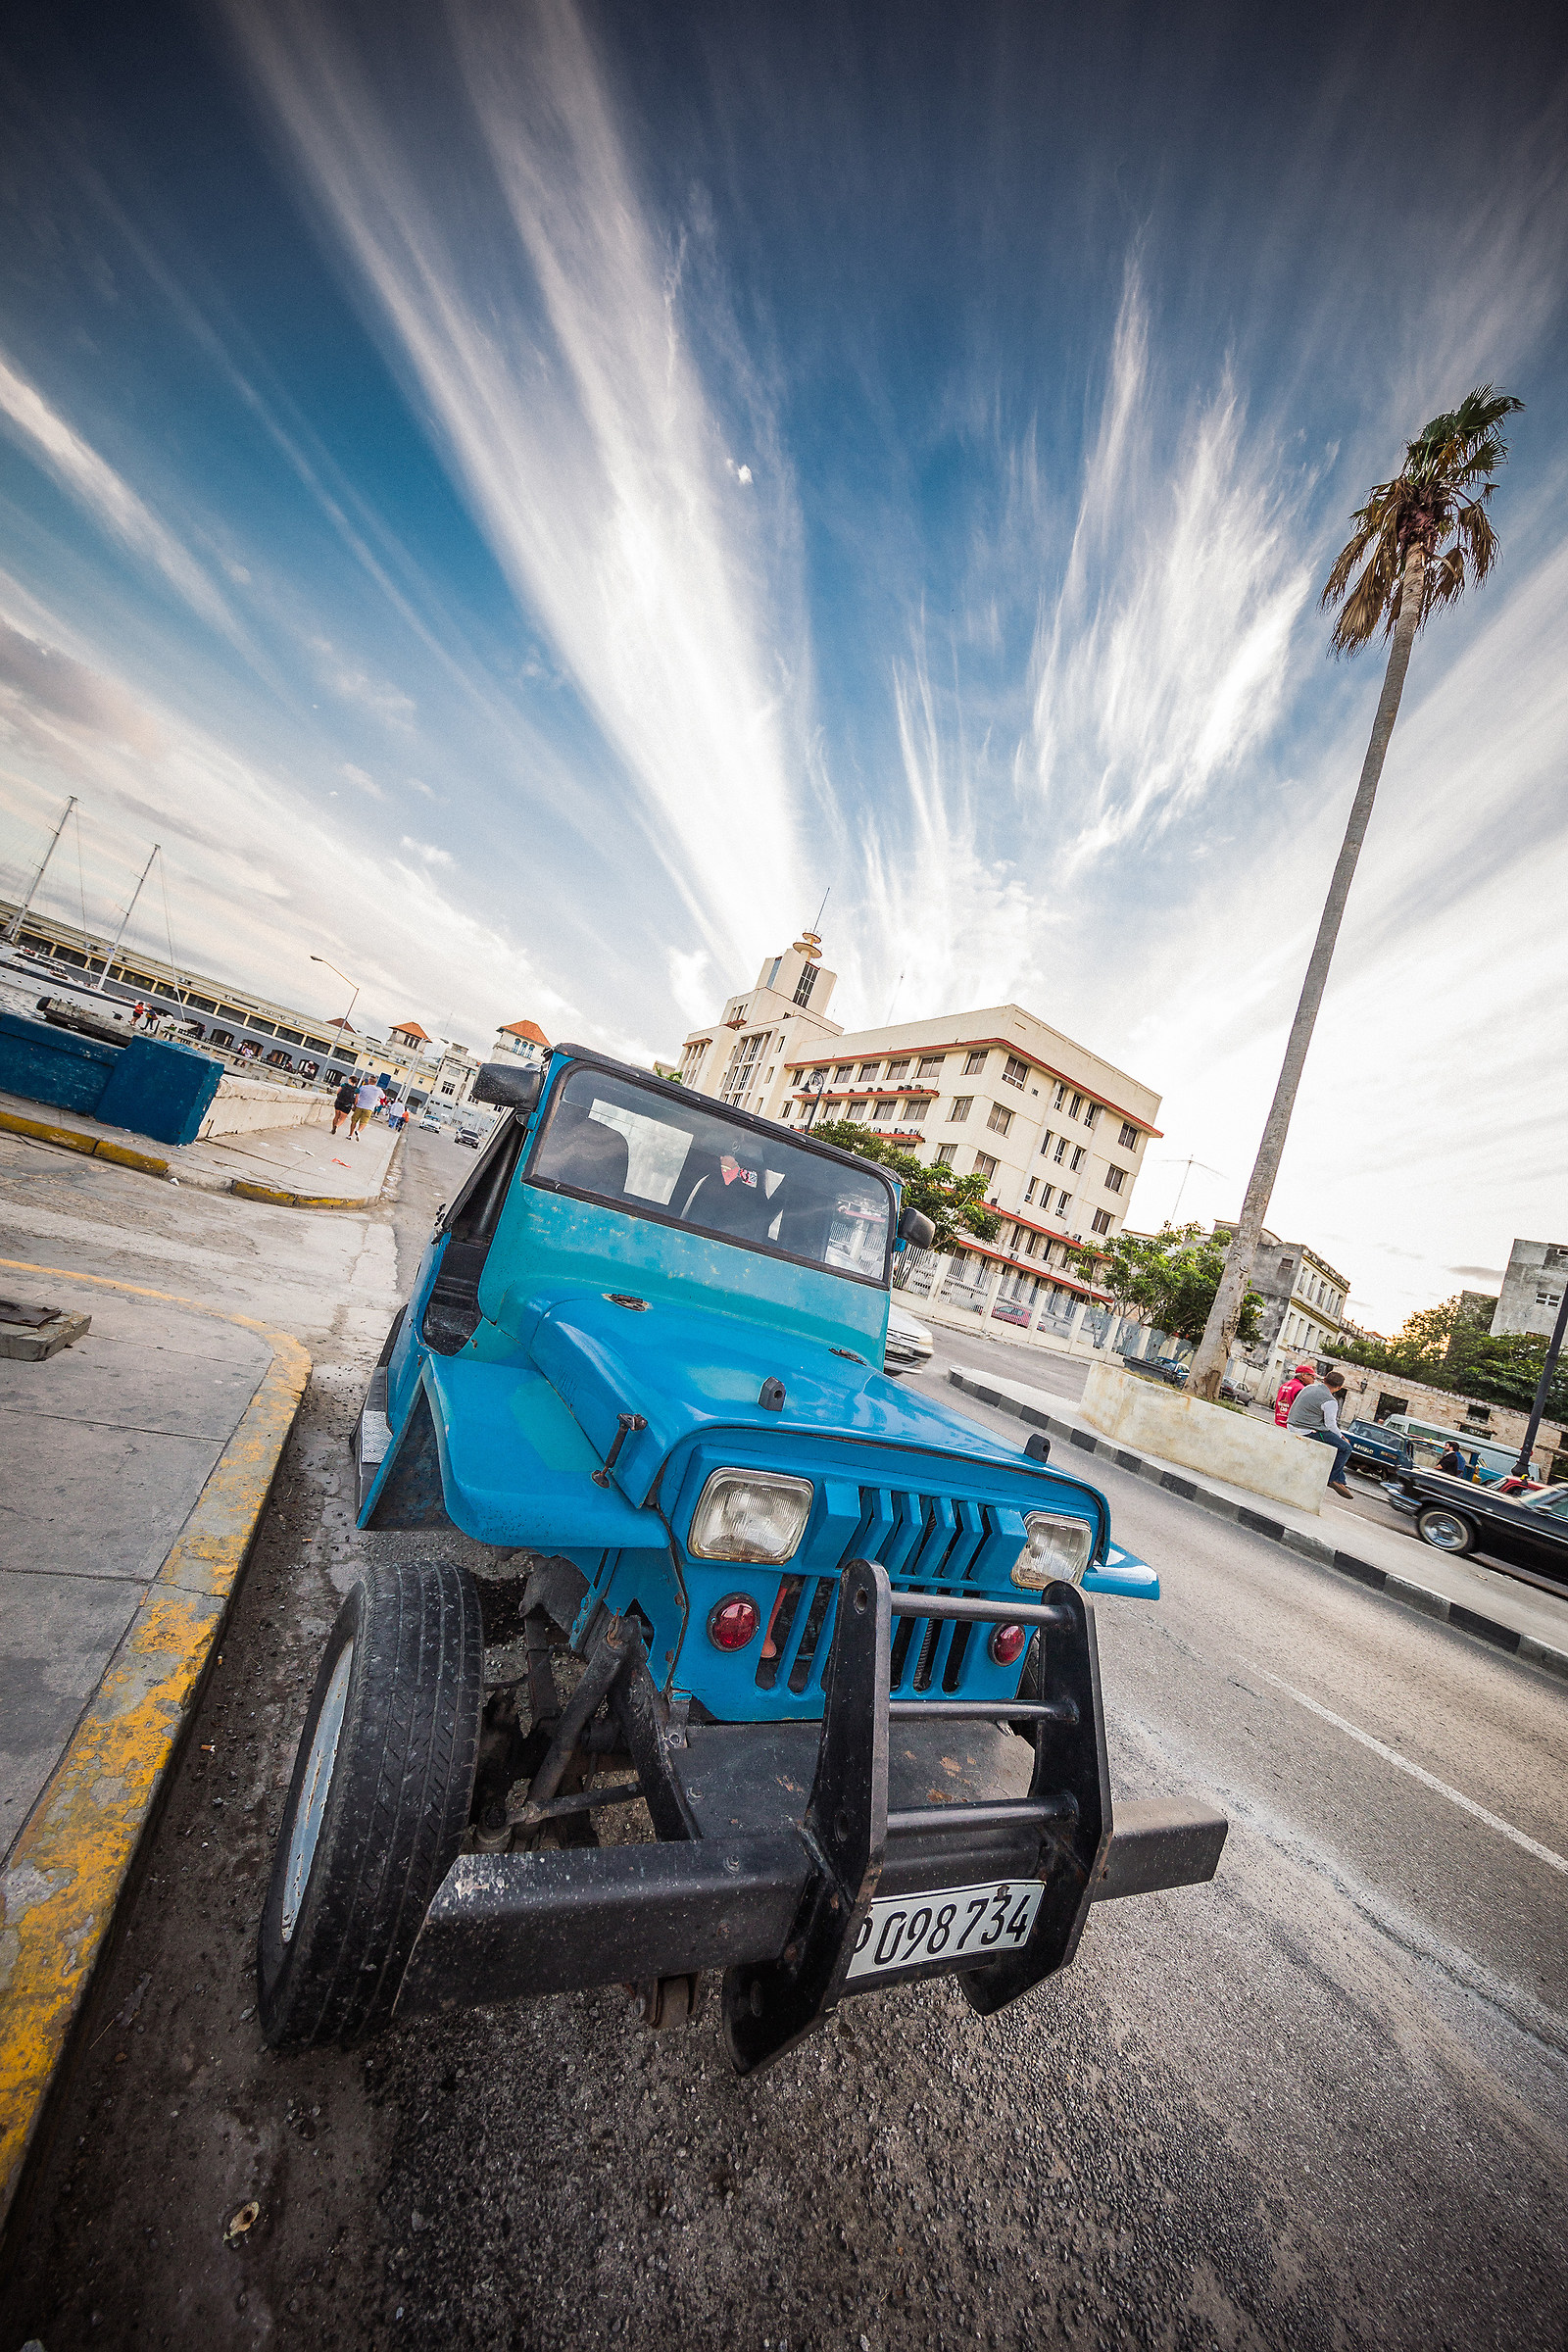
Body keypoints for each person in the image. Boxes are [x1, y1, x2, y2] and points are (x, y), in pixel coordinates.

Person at [1286, 1369, 1354, 1495]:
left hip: (1291, 1424)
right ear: (1339, 1388)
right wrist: (1342, 1436)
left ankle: (1341, 1480)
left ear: (1324, 1380)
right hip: (1306, 1430)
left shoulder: (1308, 1388)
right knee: (1345, 1448)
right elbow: (1330, 1425)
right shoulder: (1330, 1401)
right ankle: (1334, 1479)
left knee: (1335, 1442)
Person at [1274, 1362, 1316, 1428]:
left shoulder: (1285, 1385)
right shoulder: (1301, 1388)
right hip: (1291, 1425)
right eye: (1312, 1376)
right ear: (1304, 1375)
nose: (1314, 1379)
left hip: (1279, 1421)